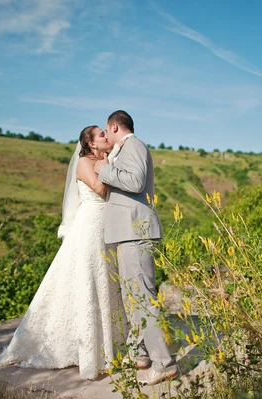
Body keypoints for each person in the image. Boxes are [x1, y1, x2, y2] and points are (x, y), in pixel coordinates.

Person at [0, 125, 126, 380]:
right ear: (90, 144)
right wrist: (109, 167)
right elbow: (100, 190)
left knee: (106, 282)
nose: (106, 137)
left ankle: (110, 345)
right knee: (88, 280)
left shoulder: (103, 159)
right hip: (90, 227)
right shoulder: (86, 163)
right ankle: (82, 350)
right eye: (101, 135)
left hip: (105, 228)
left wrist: (109, 163)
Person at [95, 110, 178, 385]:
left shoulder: (135, 145)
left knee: (144, 299)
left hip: (137, 233)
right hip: (127, 235)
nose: (106, 136)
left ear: (115, 126)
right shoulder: (124, 149)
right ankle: (140, 355)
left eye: (107, 131)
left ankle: (163, 363)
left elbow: (135, 181)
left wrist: (104, 170)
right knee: (134, 301)